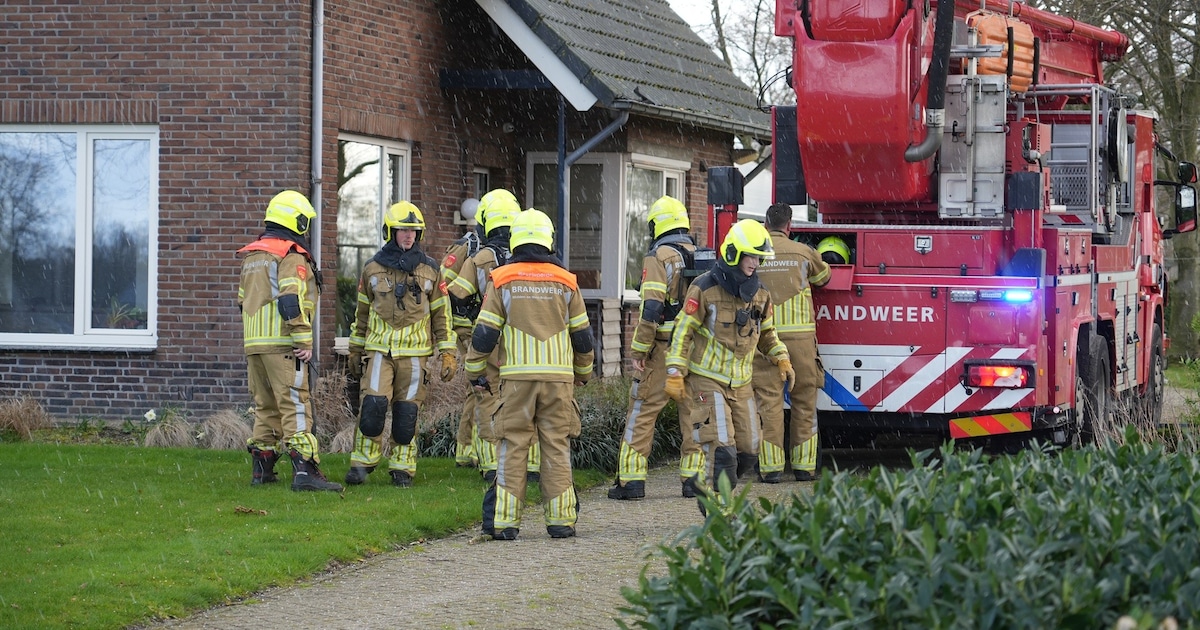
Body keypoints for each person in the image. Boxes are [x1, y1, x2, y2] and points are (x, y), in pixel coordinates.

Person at [465, 209, 593, 540]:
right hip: (558, 380)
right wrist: (584, 372)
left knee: (513, 445)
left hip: (517, 380)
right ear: (548, 239)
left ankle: (505, 523)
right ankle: (561, 522)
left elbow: (484, 333)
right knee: (556, 446)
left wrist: (475, 370)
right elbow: (582, 335)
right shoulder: (567, 281)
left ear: (516, 239)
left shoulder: (502, 278)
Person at [665, 219, 791, 501]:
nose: (756, 263)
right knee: (721, 447)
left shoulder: (760, 295)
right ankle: (718, 509)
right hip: (706, 381)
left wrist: (782, 358)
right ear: (734, 253)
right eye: (751, 256)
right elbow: (682, 331)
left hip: (742, 384)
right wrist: (674, 371)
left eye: (759, 257)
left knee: (749, 448)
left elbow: (768, 334)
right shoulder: (704, 287)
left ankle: (712, 493)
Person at [345, 201, 456, 487]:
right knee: (372, 407)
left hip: (415, 355)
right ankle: (362, 464)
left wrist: (447, 353)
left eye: (413, 231)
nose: (408, 236)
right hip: (379, 352)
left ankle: (402, 469)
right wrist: (355, 350)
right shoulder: (371, 268)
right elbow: (362, 313)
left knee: (407, 414)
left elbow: (442, 315)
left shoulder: (431, 270)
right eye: (402, 230)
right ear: (390, 232)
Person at [239, 190, 343, 492]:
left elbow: (242, 302)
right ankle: (305, 472)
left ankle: (262, 470)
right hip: (284, 345)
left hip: (255, 345)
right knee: (296, 405)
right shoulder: (289, 255)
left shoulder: (254, 256)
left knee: (266, 406)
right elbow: (290, 299)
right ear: (296, 221)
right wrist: (302, 339)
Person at [608, 195, 703, 500]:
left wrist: (639, 350)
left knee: (643, 410)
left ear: (656, 225)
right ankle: (694, 480)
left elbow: (651, 307)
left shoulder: (659, 256)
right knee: (694, 412)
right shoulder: (700, 254)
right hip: (696, 347)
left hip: (664, 348)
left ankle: (631, 481)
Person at [445, 192, 541, 484]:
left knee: (487, 395)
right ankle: (532, 465)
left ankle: (490, 464)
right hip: (523, 338)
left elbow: (457, 292)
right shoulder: (527, 255)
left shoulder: (481, 257)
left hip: (488, 336)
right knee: (525, 398)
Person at [752, 203, 831, 483]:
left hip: (765, 341)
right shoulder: (803, 252)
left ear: (765, 224)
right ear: (790, 226)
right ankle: (804, 468)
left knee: (769, 404)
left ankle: (771, 470)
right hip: (800, 342)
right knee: (804, 403)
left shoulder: (755, 251)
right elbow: (824, 277)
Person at [441, 188, 511, 469]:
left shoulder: (498, 252)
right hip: (472, 328)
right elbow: (443, 287)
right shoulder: (467, 248)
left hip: (489, 329)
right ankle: (472, 450)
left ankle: (466, 449)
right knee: (482, 387)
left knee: (479, 388)